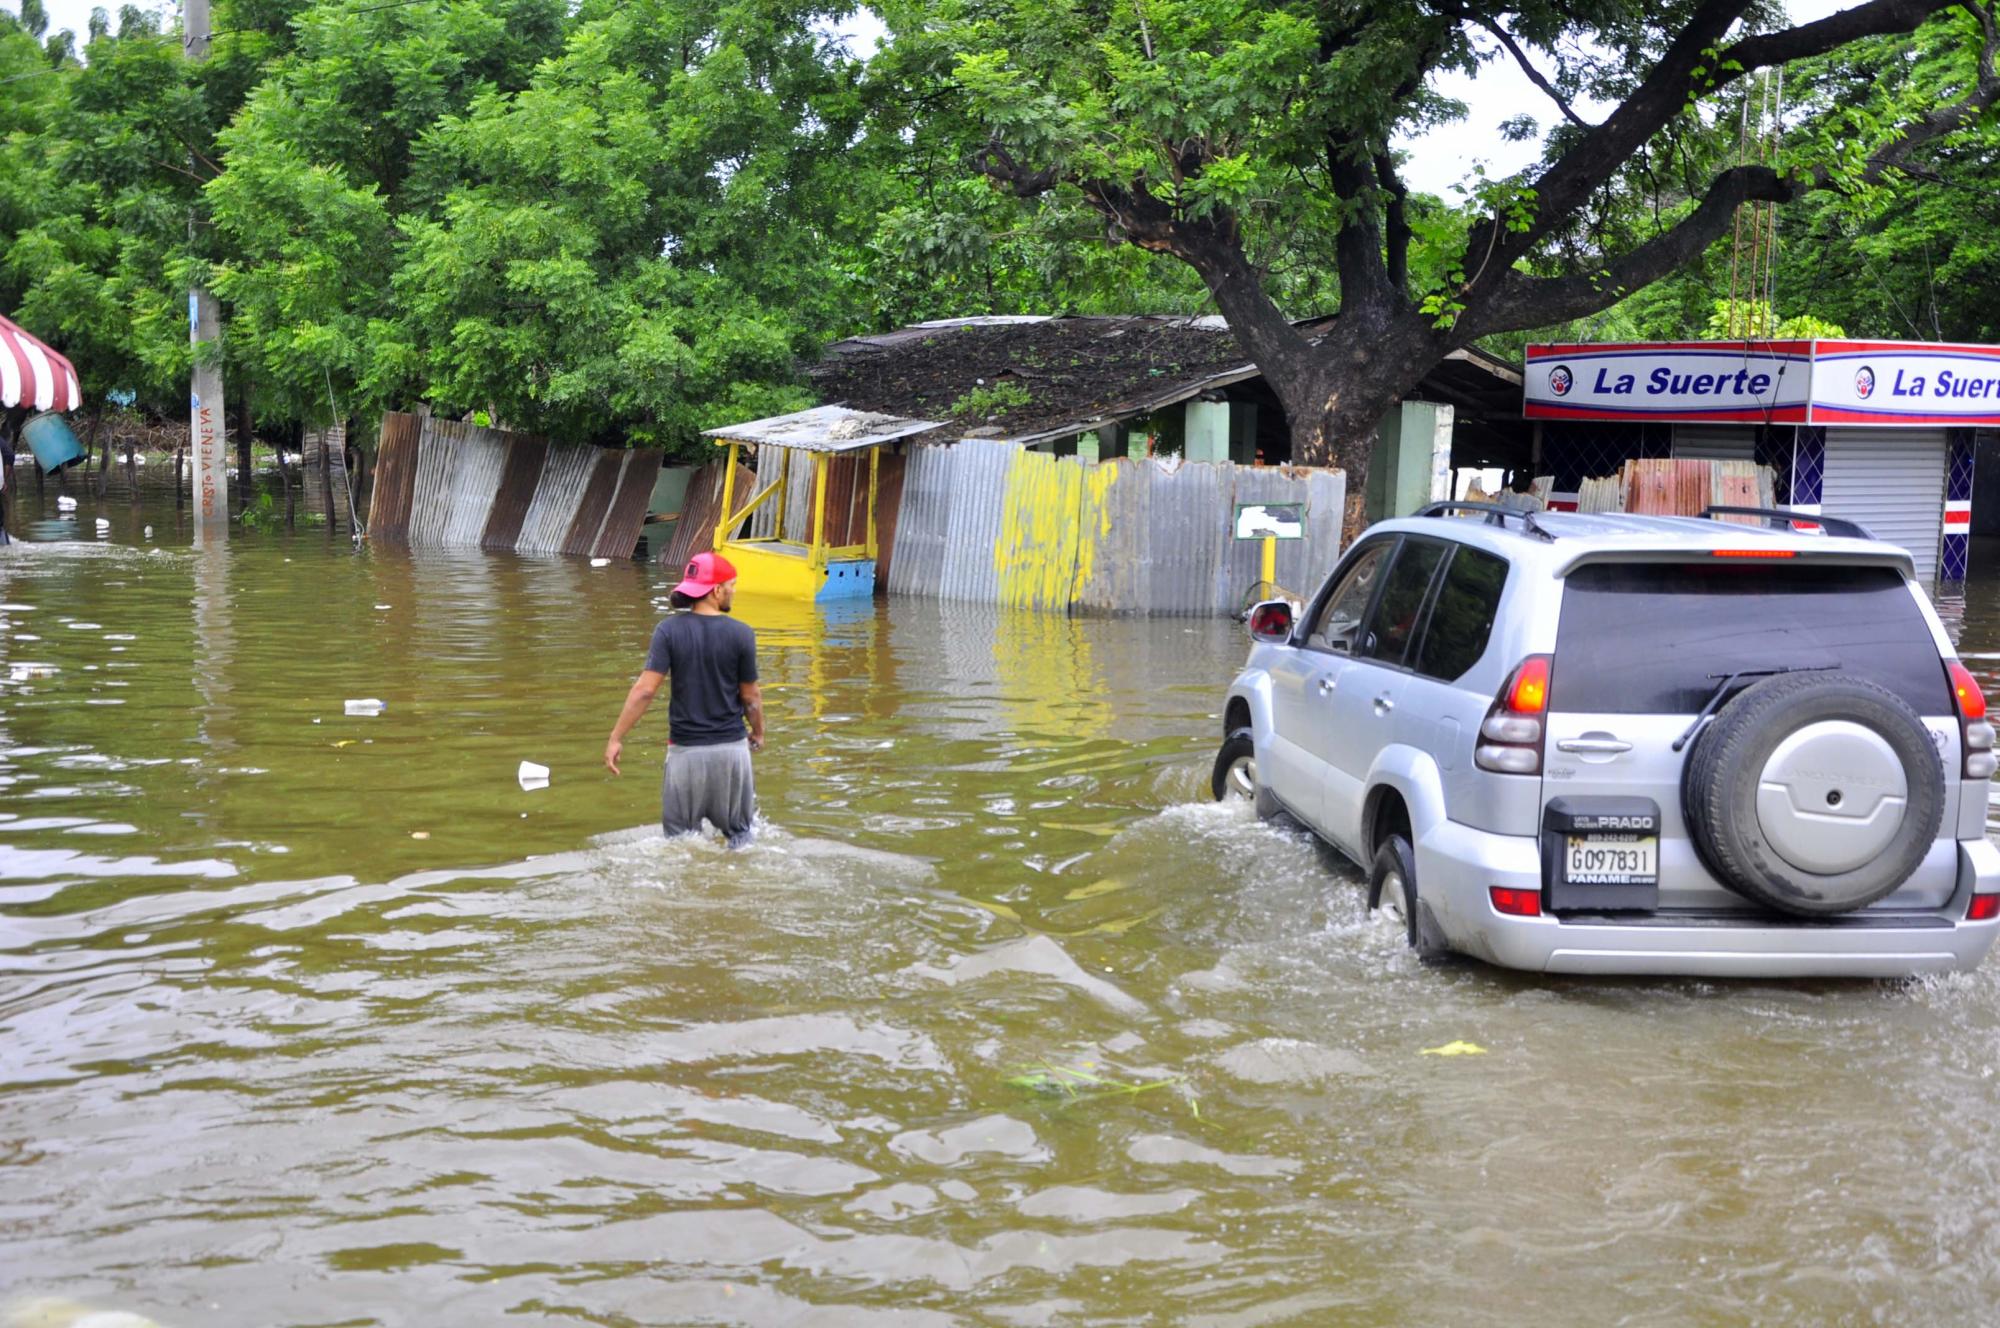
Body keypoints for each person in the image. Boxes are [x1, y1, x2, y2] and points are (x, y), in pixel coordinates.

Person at [603, 551, 765, 847]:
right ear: (716, 591)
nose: (734, 591)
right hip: (731, 752)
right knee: (741, 839)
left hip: (685, 753)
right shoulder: (742, 634)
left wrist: (616, 737)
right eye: (731, 585)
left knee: (679, 844)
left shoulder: (668, 631)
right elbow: (751, 697)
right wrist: (758, 732)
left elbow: (645, 690)